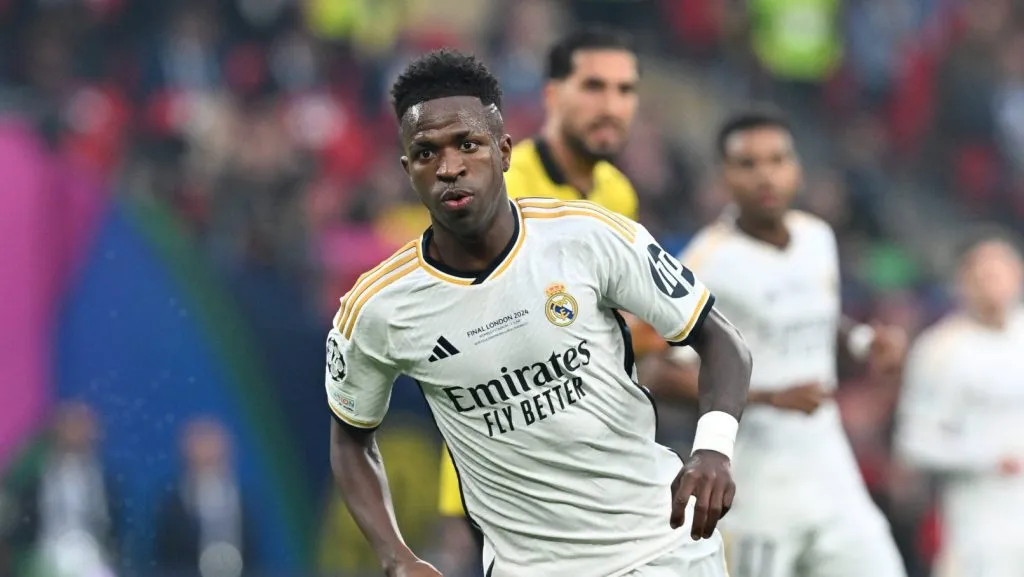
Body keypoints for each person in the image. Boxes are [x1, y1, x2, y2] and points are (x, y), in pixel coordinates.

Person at [325, 49, 752, 577]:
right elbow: (350, 435)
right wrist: (396, 555)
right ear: (407, 169)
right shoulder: (378, 308)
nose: (450, 167)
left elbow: (720, 340)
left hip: (660, 547)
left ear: (504, 151)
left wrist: (713, 449)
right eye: (426, 152)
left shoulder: (589, 236)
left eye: (467, 144)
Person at [641, 108, 908, 577]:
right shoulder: (706, 261)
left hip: (831, 469)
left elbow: (820, 317)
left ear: (796, 168)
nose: (766, 174)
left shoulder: (816, 237)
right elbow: (661, 373)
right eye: (748, 163)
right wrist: (769, 397)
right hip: (757, 485)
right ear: (725, 176)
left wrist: (865, 342)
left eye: (777, 159)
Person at [433, 24, 645, 573]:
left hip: (582, 468)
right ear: (553, 95)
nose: (612, 105)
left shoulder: (618, 194)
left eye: (625, 91)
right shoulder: (503, 183)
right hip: (500, 466)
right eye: (594, 86)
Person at [896, 233, 1024, 577]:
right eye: (982, 275)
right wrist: (989, 457)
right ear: (963, 282)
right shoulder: (940, 350)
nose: (992, 283)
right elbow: (914, 443)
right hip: (979, 526)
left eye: (1000, 272)